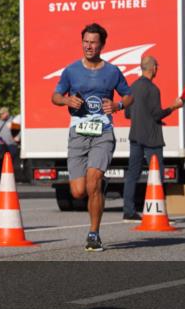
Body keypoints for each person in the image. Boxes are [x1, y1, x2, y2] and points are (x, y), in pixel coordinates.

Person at [51, 23, 133, 252]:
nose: (88, 46)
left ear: (102, 45)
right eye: (85, 41)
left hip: (103, 133)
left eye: (93, 42)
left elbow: (129, 96)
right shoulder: (71, 71)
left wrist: (117, 105)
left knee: (93, 182)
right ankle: (99, 186)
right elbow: (55, 96)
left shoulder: (112, 71)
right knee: (78, 191)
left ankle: (93, 234)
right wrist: (66, 100)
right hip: (78, 133)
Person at [121, 56, 184, 221]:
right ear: (153, 68)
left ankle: (128, 211)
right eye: (157, 66)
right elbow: (156, 114)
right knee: (157, 175)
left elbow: (128, 113)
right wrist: (173, 107)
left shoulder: (132, 87)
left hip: (135, 136)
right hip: (152, 139)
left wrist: (142, 117)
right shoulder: (153, 89)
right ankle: (158, 211)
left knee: (132, 175)